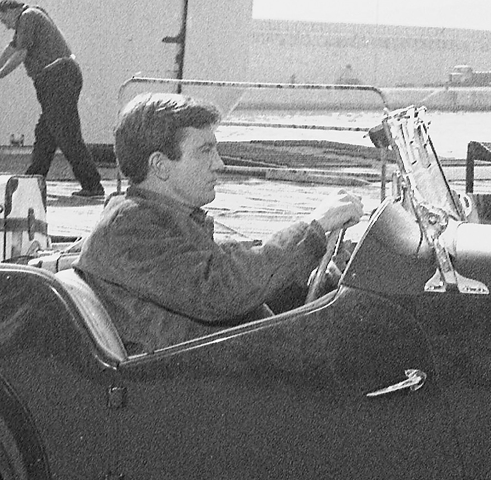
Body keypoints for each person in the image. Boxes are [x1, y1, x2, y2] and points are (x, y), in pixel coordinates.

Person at [74, 93, 364, 354]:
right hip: (196, 383)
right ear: (160, 165)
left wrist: (322, 276)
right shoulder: (129, 226)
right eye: (205, 151)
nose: (219, 164)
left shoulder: (164, 218)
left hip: (218, 367)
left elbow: (230, 269)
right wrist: (313, 226)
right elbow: (220, 288)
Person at [0, 0, 106, 199]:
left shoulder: (27, 17)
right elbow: (11, 49)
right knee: (46, 133)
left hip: (57, 77)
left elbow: (20, 54)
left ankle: (92, 185)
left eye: (5, 20)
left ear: (13, 11)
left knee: (67, 133)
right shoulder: (30, 19)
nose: (6, 26)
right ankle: (33, 182)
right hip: (56, 78)